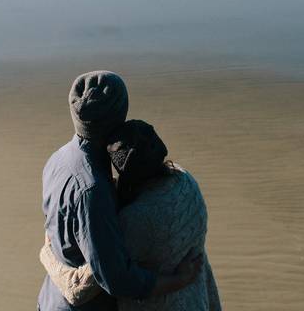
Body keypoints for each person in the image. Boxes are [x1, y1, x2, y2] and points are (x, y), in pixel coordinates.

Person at [37, 71, 204, 311]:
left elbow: (53, 231)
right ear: (119, 116)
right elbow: (115, 278)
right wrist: (179, 280)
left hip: (50, 298)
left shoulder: (57, 159)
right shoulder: (93, 190)